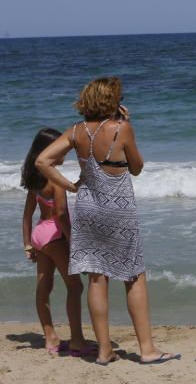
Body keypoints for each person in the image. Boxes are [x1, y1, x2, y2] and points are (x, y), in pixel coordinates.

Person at [35, 77, 179, 366]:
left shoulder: (75, 131)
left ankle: (103, 350)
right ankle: (147, 349)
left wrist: (71, 185)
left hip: (87, 207)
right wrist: (126, 126)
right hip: (119, 209)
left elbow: (42, 161)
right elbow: (136, 168)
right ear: (111, 100)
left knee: (96, 278)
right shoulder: (120, 128)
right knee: (133, 275)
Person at [20, 128, 91, 357]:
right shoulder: (55, 180)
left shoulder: (35, 178)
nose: (65, 152)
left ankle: (49, 336)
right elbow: (60, 214)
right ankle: (78, 341)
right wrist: (74, 242)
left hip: (39, 235)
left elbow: (27, 214)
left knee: (44, 286)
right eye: (60, 146)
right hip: (55, 235)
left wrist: (27, 245)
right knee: (75, 286)